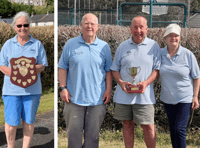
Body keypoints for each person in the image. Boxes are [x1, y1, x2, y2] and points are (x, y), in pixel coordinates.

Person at [58, 13, 112, 148]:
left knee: (92, 139)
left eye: (92, 24)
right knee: (73, 137)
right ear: (81, 25)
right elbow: (62, 67)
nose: (89, 26)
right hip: (74, 99)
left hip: (97, 100)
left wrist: (108, 90)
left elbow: (108, 71)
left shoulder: (104, 47)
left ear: (98, 27)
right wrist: (63, 88)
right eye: (86, 23)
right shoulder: (71, 44)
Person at [111, 16, 160, 148]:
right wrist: (121, 83)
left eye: (141, 27)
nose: (138, 30)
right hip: (124, 96)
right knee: (127, 125)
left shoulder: (154, 46)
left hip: (145, 96)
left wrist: (146, 83)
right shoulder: (123, 46)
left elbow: (156, 70)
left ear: (146, 29)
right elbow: (115, 69)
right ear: (130, 29)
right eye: (135, 27)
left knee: (148, 127)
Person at [0, 11, 48, 148]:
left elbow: (42, 65)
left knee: (28, 121)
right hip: (11, 91)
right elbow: (2, 65)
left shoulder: (37, 44)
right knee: (11, 123)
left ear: (29, 26)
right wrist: (17, 74)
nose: (22, 28)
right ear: (14, 27)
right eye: (19, 25)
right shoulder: (8, 45)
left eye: (25, 25)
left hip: (32, 91)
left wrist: (28, 71)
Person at [159, 24, 200, 148]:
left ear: (180, 38)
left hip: (184, 99)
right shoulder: (160, 54)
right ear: (165, 38)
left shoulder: (188, 55)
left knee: (179, 129)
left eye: (176, 35)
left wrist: (195, 97)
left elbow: (196, 77)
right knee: (173, 129)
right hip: (167, 99)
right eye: (170, 36)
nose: (173, 38)